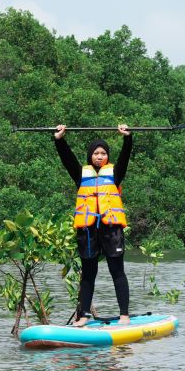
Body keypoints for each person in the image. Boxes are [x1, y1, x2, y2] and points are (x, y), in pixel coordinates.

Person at [54, 124, 133, 326]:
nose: (99, 156)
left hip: (111, 229)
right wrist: (59, 140)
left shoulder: (115, 173)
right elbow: (68, 159)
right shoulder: (81, 175)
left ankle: (124, 315)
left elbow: (125, 158)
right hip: (88, 230)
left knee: (117, 271)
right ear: (90, 156)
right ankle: (83, 317)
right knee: (88, 274)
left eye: (103, 153)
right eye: (96, 153)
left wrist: (127, 138)